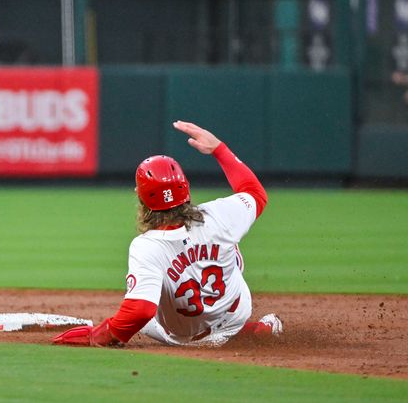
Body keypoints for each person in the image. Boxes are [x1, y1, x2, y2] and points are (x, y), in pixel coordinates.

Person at [53, 120, 282, 348]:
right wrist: (219, 149)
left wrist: (98, 334)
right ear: (186, 188)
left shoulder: (146, 247)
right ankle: (247, 330)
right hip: (235, 316)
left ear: (142, 199)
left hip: (185, 340)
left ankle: (231, 332)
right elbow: (255, 192)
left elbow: (140, 311)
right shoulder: (219, 215)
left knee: (140, 299)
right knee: (228, 243)